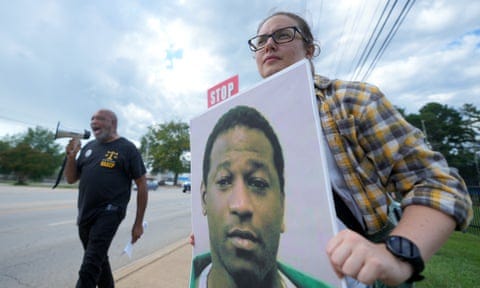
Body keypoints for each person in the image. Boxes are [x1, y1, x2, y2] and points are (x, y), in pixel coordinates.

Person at [245, 11, 473, 288]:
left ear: (309, 49)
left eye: (282, 35)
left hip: (360, 277)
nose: (269, 45)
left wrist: (396, 256)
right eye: (261, 41)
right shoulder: (246, 128)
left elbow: (439, 185)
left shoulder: (352, 102)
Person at [192, 105, 331, 288]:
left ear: (282, 206)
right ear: (204, 199)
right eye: (224, 180)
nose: (241, 205)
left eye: (258, 183)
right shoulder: (193, 274)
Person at [64, 109, 148, 288]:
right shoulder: (89, 147)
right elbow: (71, 178)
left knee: (90, 266)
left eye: (100, 119)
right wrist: (71, 158)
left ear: (113, 123)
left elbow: (142, 184)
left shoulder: (127, 148)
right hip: (86, 213)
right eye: (92, 118)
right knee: (99, 260)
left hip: (111, 212)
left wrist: (138, 223)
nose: (94, 121)